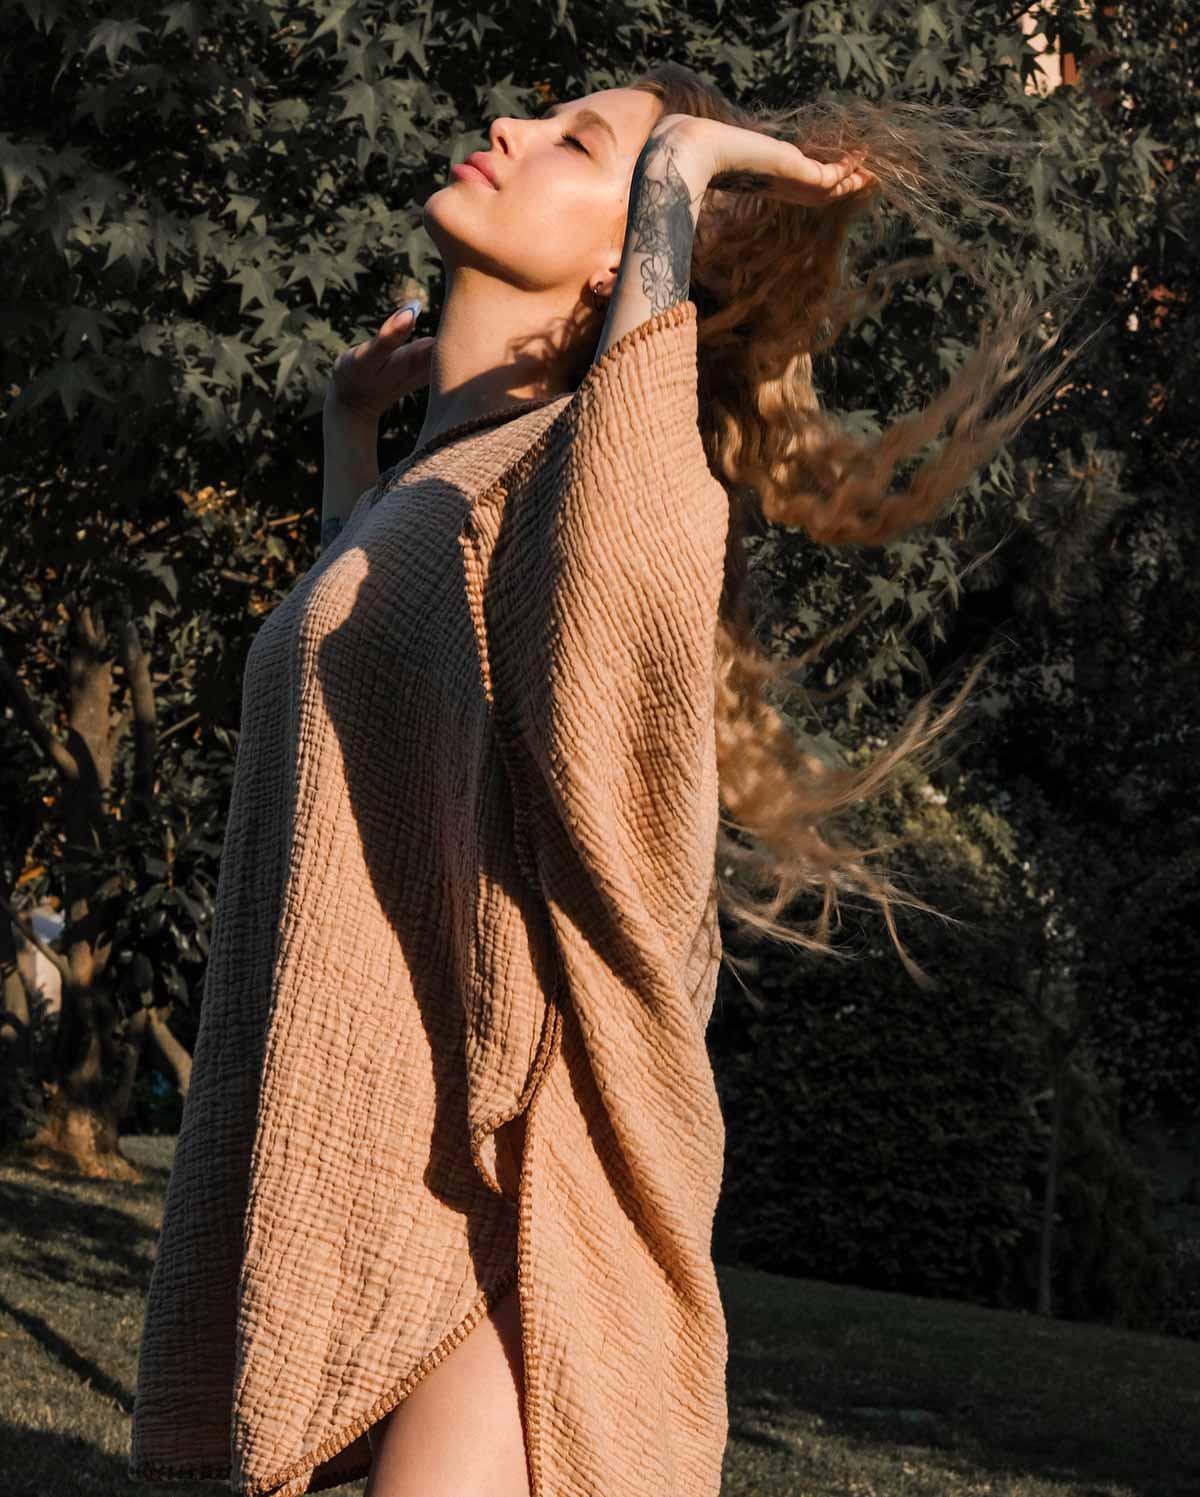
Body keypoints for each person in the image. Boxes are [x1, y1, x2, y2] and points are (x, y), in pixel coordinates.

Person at [131, 60, 1070, 1497]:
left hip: (523, 1206)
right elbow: (368, 671)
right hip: (406, 1171)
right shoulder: (444, 488)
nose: (505, 128)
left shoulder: (587, 466)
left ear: (611, 270)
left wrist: (680, 173)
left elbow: (619, 559)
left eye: (578, 144)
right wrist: (349, 434)